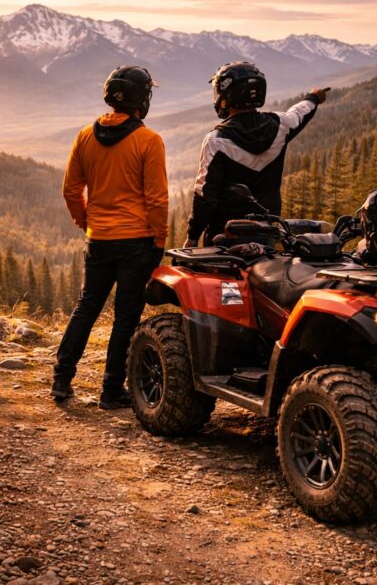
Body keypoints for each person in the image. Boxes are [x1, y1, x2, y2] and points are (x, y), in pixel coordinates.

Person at [53, 65, 169, 409]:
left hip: (99, 238)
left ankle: (61, 379)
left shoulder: (85, 136)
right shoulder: (149, 141)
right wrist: (160, 239)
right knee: (125, 317)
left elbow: (71, 189)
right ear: (142, 100)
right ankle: (110, 390)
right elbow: (157, 199)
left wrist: (86, 219)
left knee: (86, 307)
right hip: (138, 241)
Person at [185, 61, 328, 246]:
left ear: (227, 95)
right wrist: (313, 98)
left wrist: (192, 237)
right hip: (267, 234)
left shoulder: (216, 141)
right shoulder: (281, 126)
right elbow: (300, 113)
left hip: (223, 237)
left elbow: (205, 197)